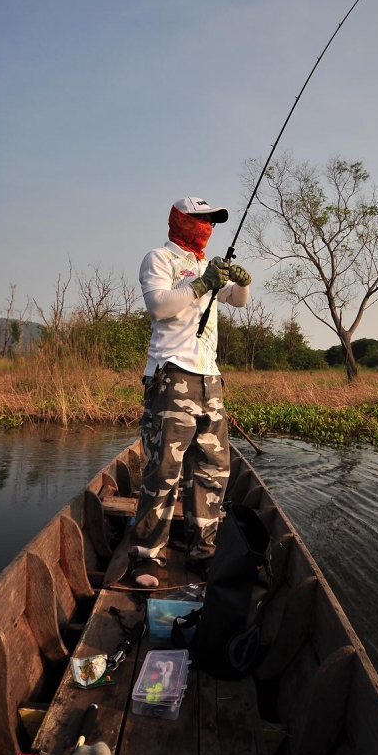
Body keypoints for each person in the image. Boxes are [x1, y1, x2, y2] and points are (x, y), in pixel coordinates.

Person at [127, 196, 252, 588]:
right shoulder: (159, 259)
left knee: (213, 468)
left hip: (209, 377)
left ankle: (204, 551)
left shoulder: (206, 264)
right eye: (201, 219)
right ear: (181, 220)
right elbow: (159, 307)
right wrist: (202, 284)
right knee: (164, 467)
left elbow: (238, 300)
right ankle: (147, 555)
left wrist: (241, 283)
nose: (207, 226)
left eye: (212, 221)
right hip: (172, 374)